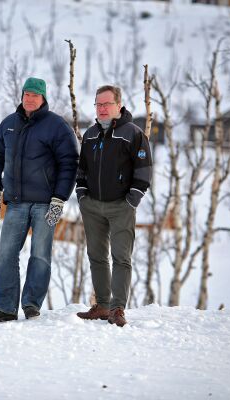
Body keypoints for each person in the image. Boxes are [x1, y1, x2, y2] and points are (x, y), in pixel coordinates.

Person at [0, 77, 79, 322]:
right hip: (15, 202)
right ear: (22, 95)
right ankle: (5, 308)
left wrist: (59, 198)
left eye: (35, 95)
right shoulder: (7, 124)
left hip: (45, 204)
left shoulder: (57, 126)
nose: (29, 98)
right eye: (27, 94)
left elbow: (69, 164)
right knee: (5, 254)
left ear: (43, 98)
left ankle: (31, 305)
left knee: (40, 254)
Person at [75, 85, 152, 327]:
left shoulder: (133, 133)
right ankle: (103, 305)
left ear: (119, 105)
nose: (102, 109)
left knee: (121, 258)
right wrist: (82, 195)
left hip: (121, 205)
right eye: (98, 104)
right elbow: (82, 169)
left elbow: (144, 170)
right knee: (96, 256)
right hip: (93, 206)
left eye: (107, 104)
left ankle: (117, 309)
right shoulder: (89, 135)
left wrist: (132, 199)